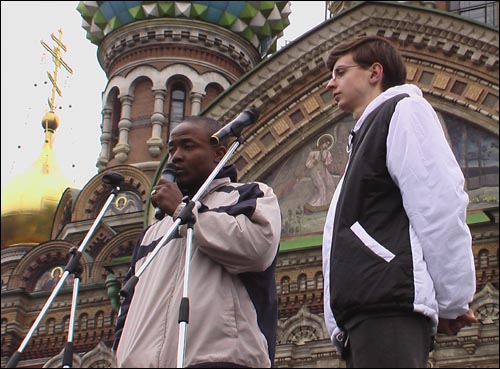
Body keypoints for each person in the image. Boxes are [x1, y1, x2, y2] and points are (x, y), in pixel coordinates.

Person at [321, 35, 477, 368]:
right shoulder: (367, 133)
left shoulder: (404, 110)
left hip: (388, 307)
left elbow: (438, 203)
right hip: (367, 312)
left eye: (340, 71)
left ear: (374, 72)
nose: (330, 82)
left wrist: (453, 299)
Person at [113, 116, 281, 368]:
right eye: (172, 149)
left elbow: (256, 249)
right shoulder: (152, 234)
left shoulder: (247, 196)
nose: (176, 157)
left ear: (219, 154)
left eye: (188, 147)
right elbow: (127, 308)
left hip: (219, 359)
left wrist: (184, 212)